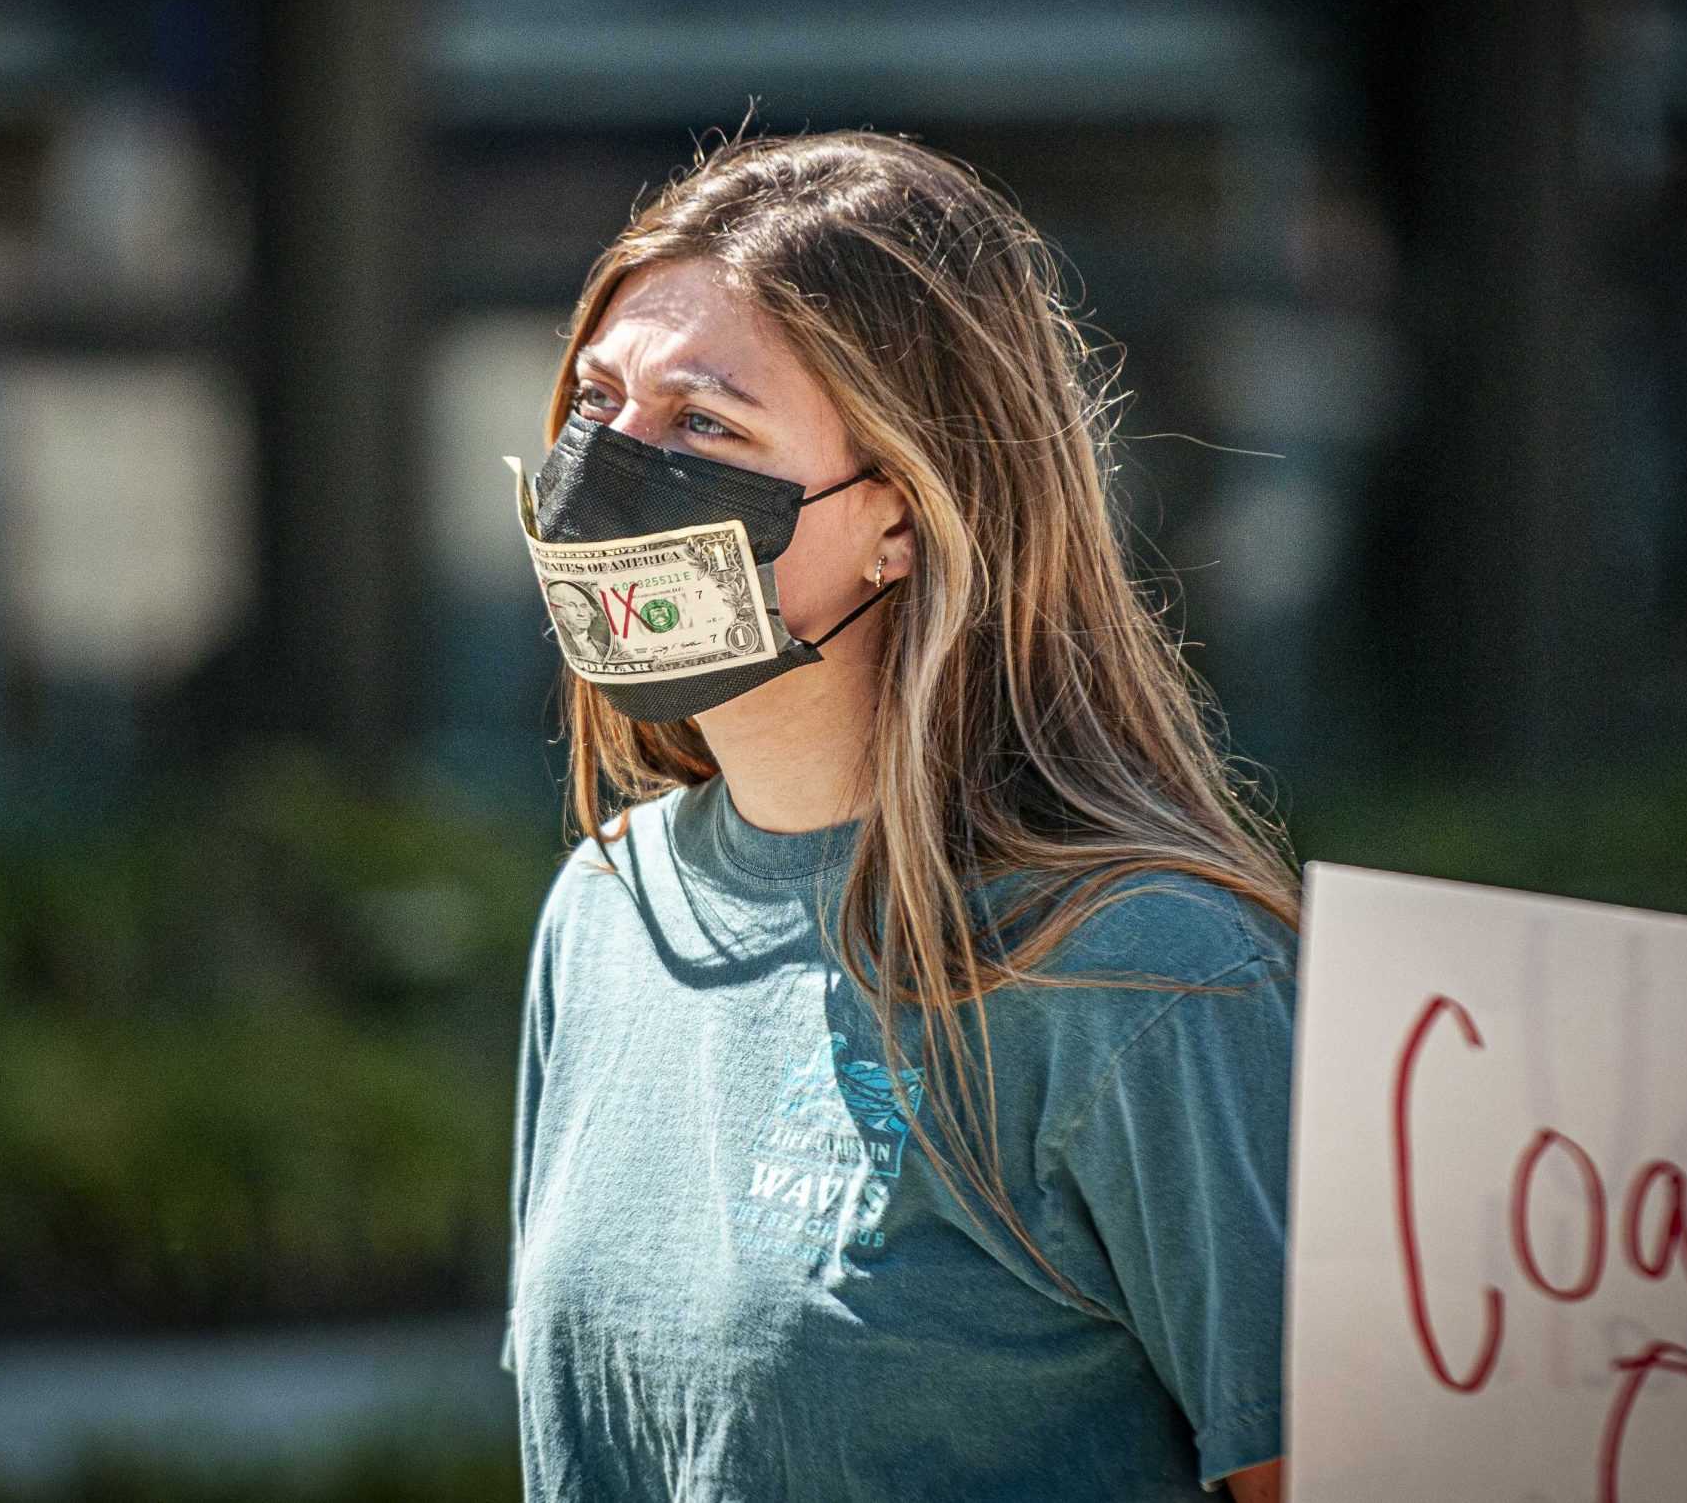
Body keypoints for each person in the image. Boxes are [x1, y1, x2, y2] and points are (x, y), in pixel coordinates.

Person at [499, 125, 1299, 1503]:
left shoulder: (1147, 977)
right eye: (596, 403)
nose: (605, 476)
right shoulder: (603, 914)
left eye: (702, 424)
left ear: (908, 518)